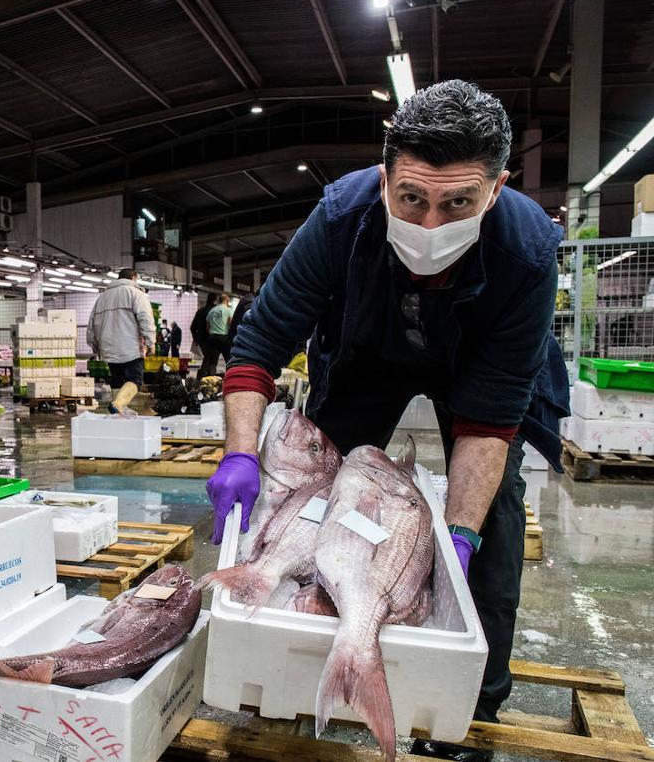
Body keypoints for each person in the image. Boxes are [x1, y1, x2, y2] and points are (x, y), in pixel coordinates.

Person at [207, 81, 568, 762]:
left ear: (496, 189)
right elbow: (258, 346)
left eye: (458, 202)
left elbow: (489, 424)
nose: (430, 224)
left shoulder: (525, 252)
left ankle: (467, 704)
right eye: (411, 199)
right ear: (383, 179)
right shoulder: (341, 217)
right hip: (368, 353)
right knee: (314, 494)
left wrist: (458, 538)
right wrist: (241, 454)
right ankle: (304, 653)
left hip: (477, 363)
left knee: (491, 530)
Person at [87, 267, 155, 415]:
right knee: (135, 379)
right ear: (133, 278)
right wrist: (151, 342)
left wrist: (94, 345)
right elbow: (146, 319)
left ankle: (118, 412)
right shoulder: (136, 293)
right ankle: (118, 404)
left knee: (117, 380)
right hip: (130, 347)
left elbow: (92, 323)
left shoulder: (102, 297)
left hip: (108, 348)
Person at [198, 293, 232, 379]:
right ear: (226, 301)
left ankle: (209, 380)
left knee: (211, 361)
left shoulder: (212, 310)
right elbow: (230, 323)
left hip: (212, 337)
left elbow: (207, 326)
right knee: (229, 360)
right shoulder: (228, 310)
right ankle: (231, 378)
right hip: (223, 337)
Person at [190, 293, 217, 372]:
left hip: (202, 340)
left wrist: (196, 339)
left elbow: (192, 327)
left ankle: (203, 378)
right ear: (215, 300)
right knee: (213, 361)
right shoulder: (216, 311)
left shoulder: (200, 311)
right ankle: (211, 378)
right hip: (214, 339)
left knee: (207, 359)